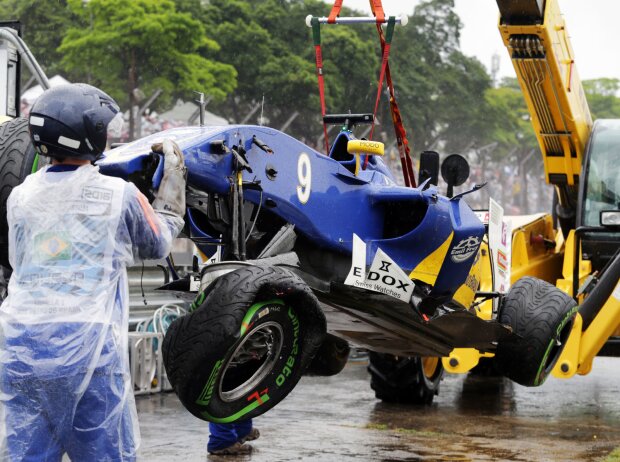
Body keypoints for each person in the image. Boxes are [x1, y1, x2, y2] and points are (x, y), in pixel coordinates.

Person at [0, 83, 186, 461]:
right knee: (105, 454)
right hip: (88, 346)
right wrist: (171, 198)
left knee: (27, 455)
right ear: (92, 135)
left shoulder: (19, 196)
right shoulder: (120, 195)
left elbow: (18, 258)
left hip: (21, 344)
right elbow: (156, 244)